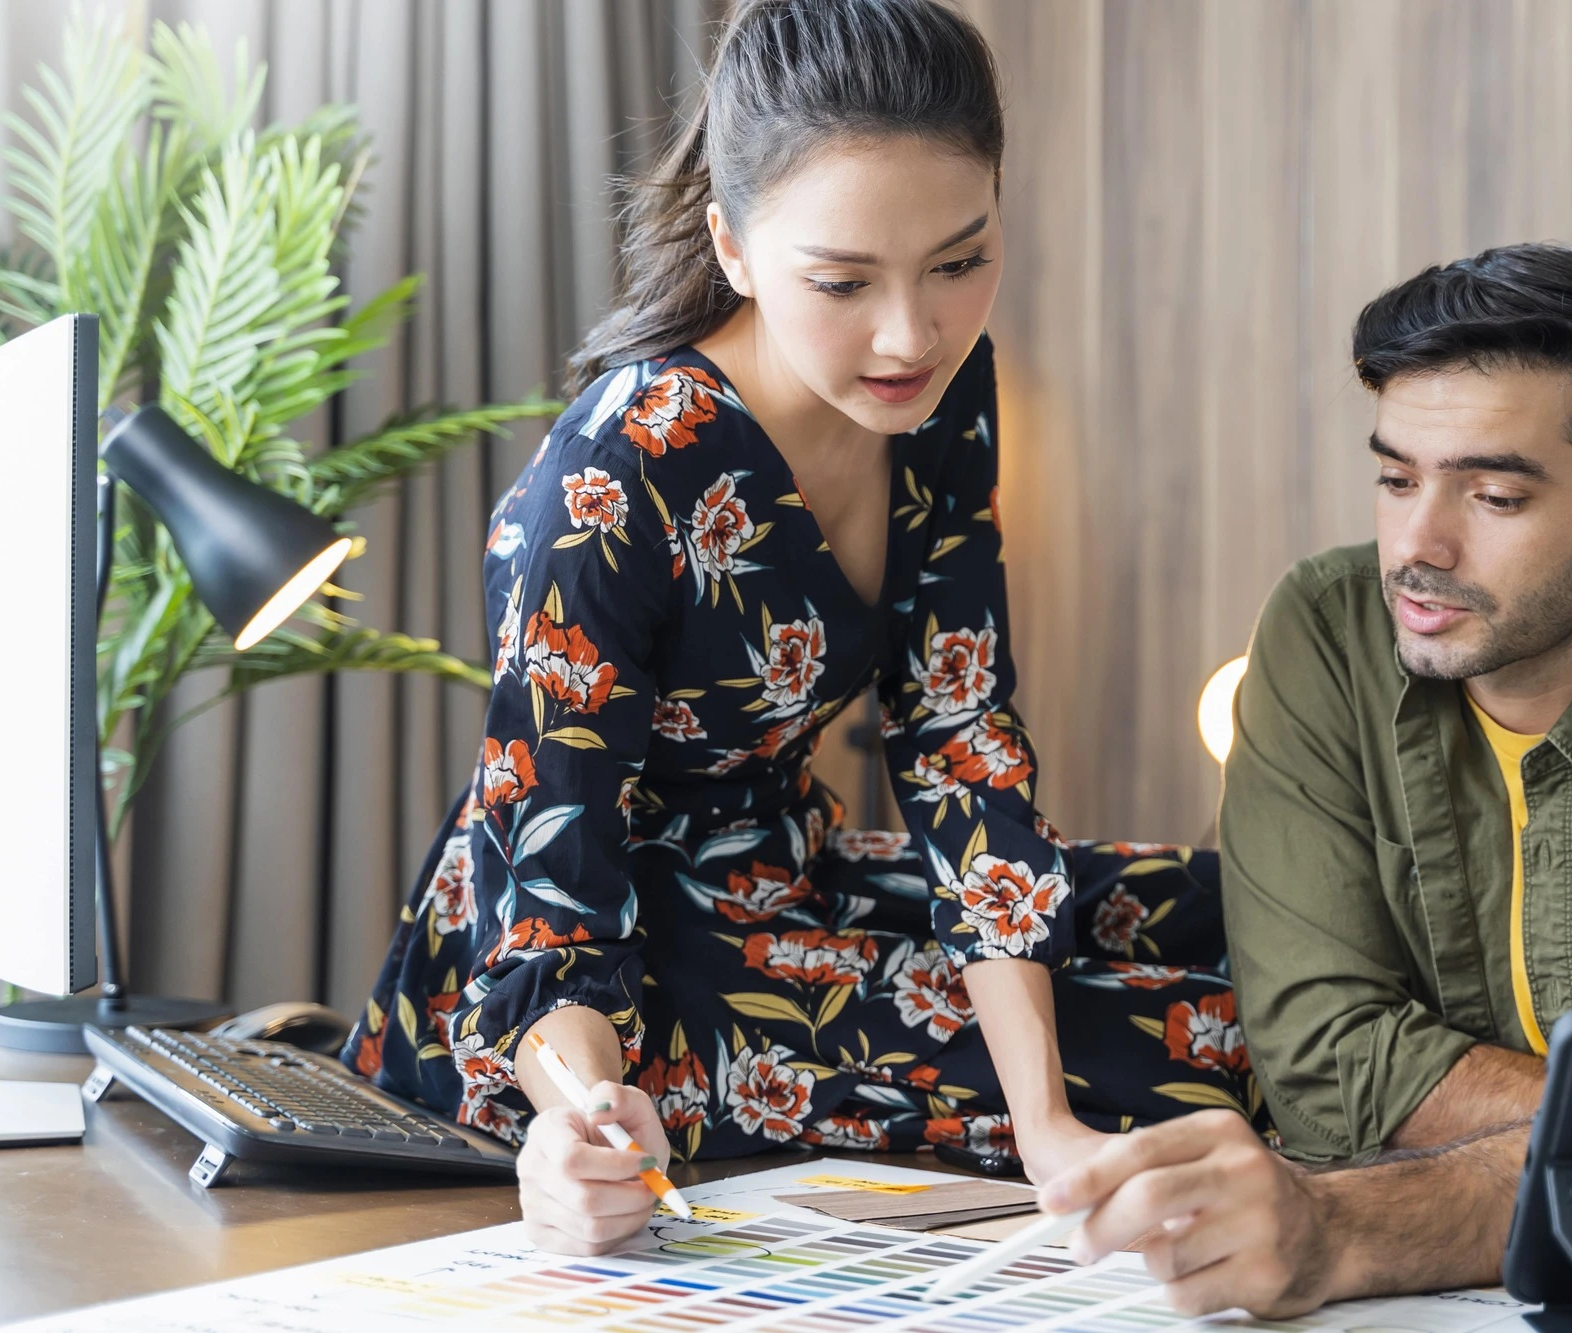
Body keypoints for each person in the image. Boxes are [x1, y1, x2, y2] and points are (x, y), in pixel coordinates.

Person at [344, 0, 1245, 1259]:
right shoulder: (623, 469)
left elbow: (959, 738)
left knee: (1232, 909)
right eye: (841, 281)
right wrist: (582, 1119)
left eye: (958, 258)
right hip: (599, 970)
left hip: (786, 869)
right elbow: (549, 864)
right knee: (1208, 1037)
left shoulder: (944, 392)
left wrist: (1044, 1122)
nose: (909, 334)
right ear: (732, 244)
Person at [1038, 243, 1572, 1316]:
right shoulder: (1326, 631)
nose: (1416, 545)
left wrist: (1341, 1225)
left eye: (1493, 495)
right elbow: (1320, 1055)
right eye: (1394, 477)